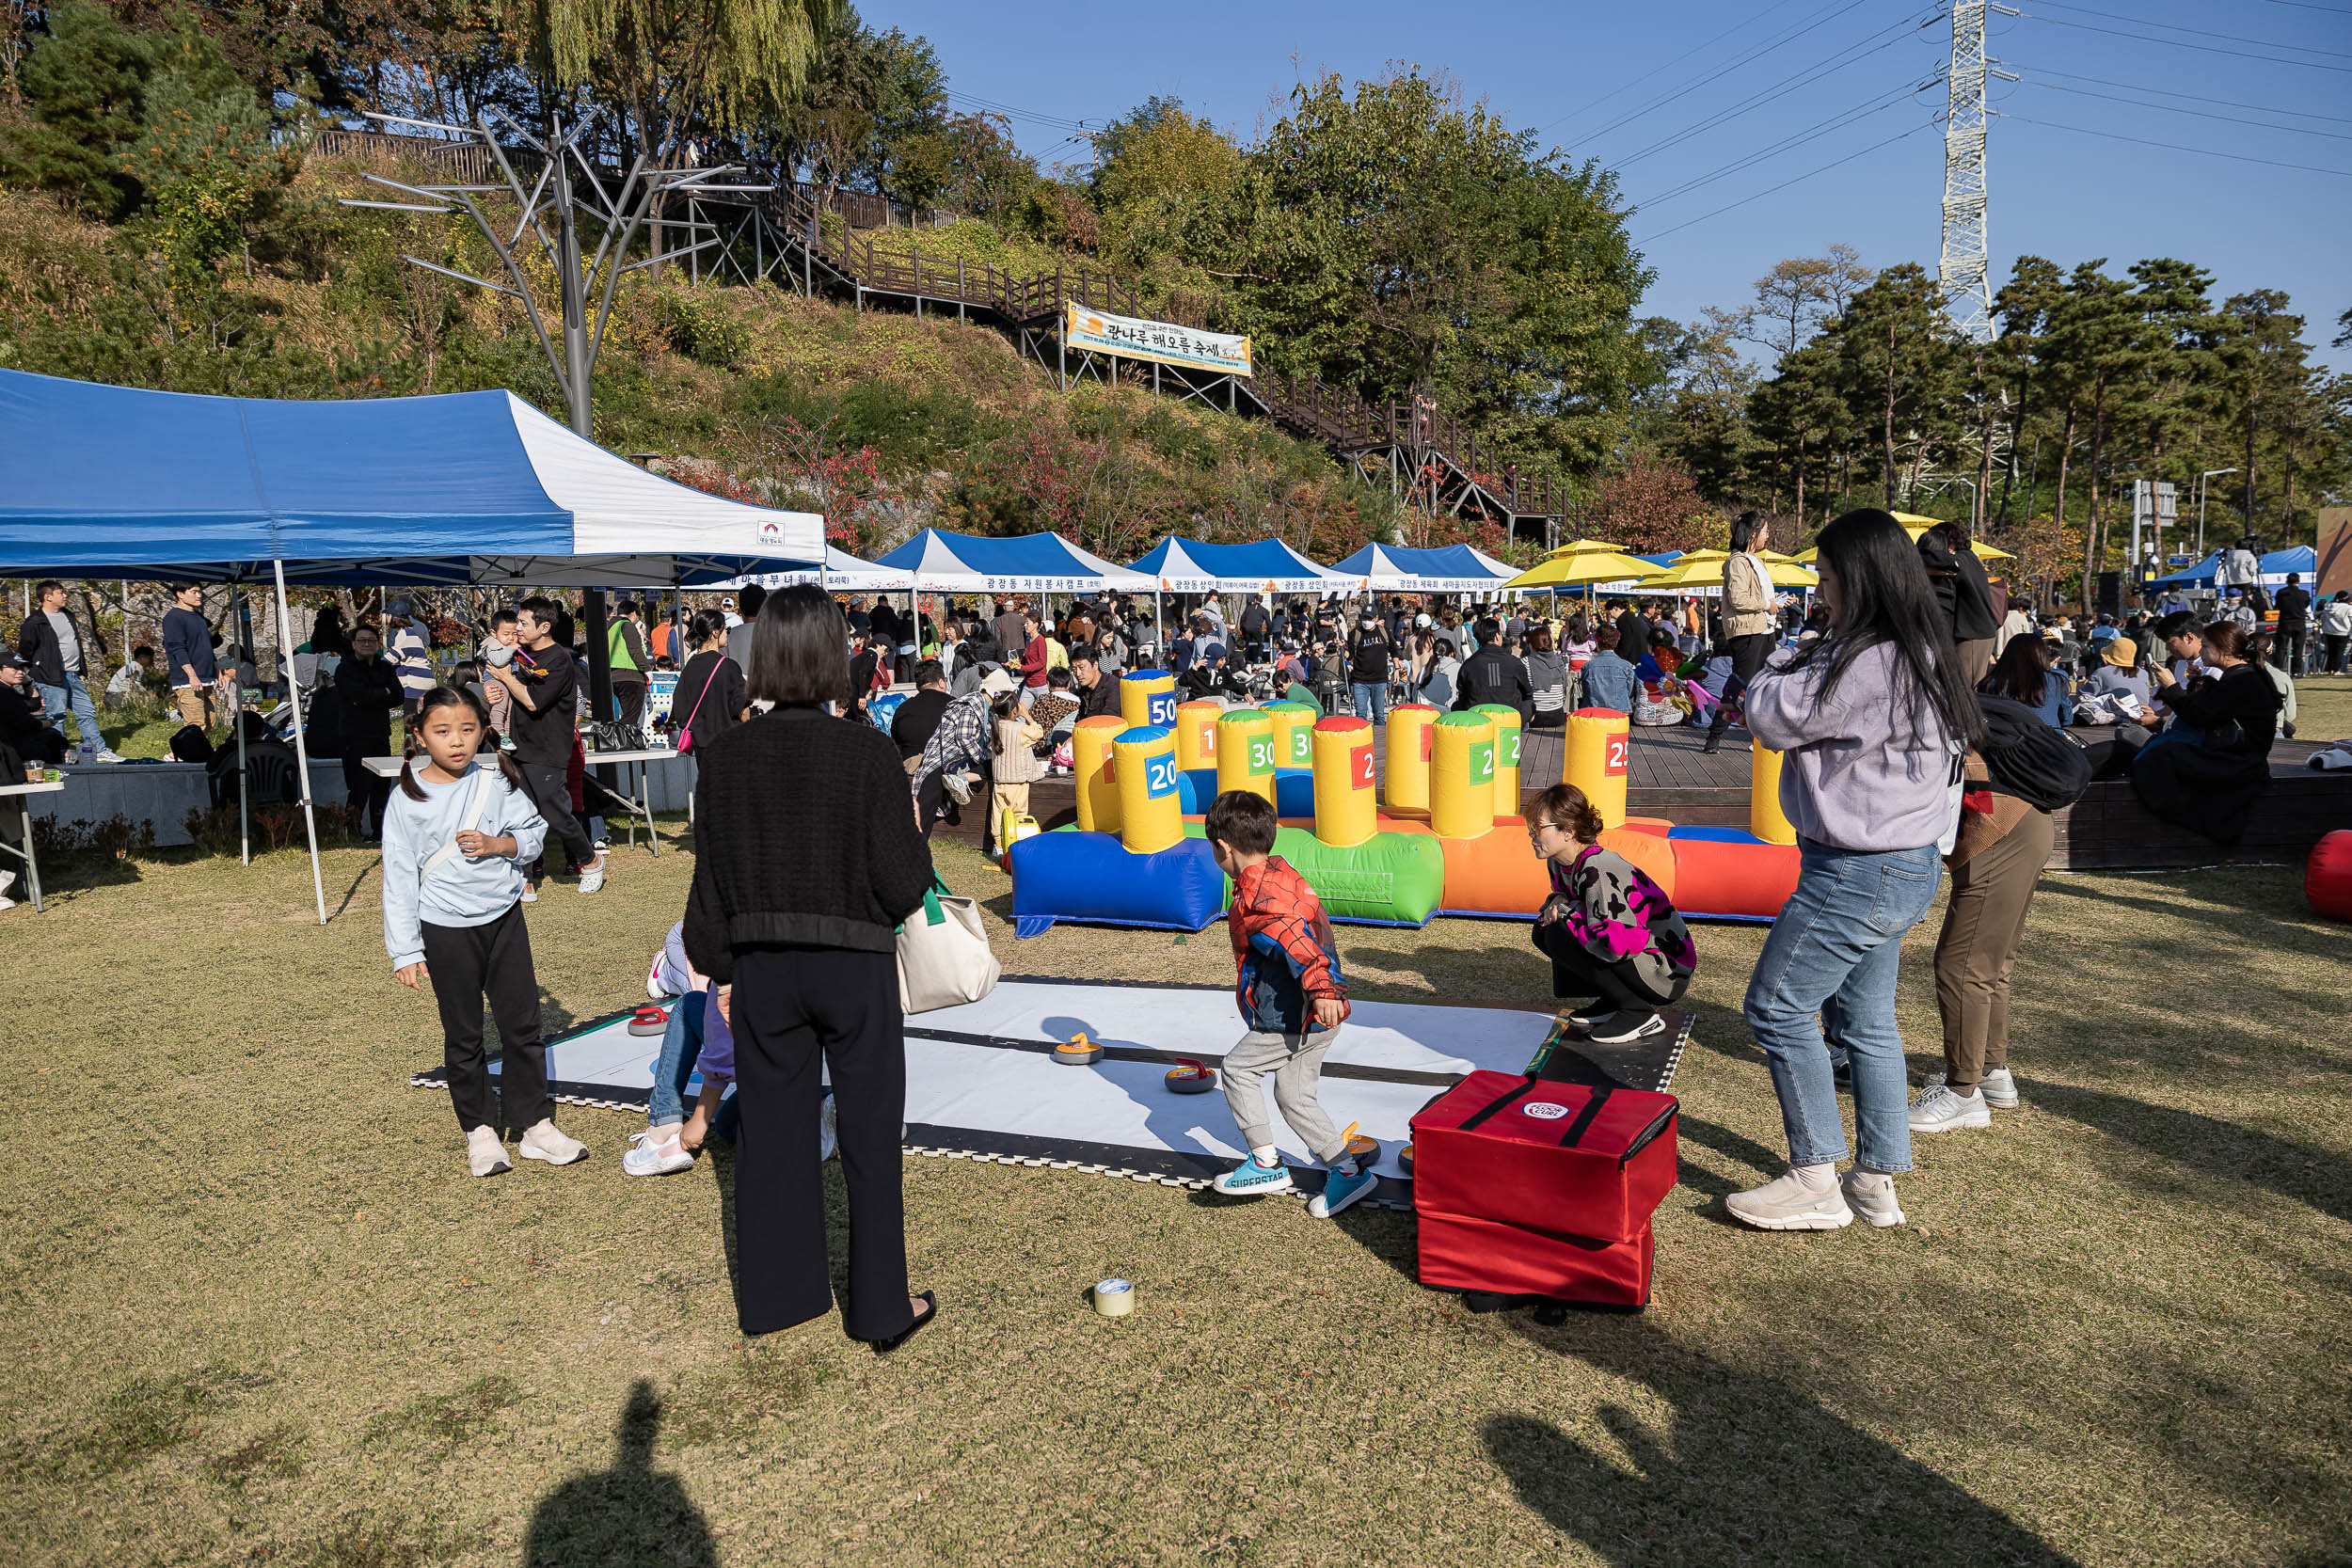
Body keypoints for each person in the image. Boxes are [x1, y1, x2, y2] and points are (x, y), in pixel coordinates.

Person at [683, 584, 938, 1350]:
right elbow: (903, 884)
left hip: (763, 969)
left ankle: (777, 1297)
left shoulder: (725, 757)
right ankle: (881, 1309)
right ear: (836, 655)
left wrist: (722, 964)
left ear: (761, 658)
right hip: (853, 966)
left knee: (773, 1134)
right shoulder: (866, 751)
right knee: (867, 1138)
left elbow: (710, 892)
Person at [1732, 508, 1982, 1232]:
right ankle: (1876, 1176)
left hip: (1855, 870)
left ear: (1859, 578)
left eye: (1827, 574)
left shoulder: (1865, 658)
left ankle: (1815, 1176)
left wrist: (1790, 651)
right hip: (1902, 863)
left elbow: (1770, 717)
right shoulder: (1918, 648)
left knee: (1776, 1007)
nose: (1819, 586)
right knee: (1868, 1021)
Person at [382, 685, 585, 1178]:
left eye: (468, 730)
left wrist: (501, 844)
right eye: (443, 731)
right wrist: (405, 950)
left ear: (484, 732)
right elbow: (399, 876)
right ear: (419, 735)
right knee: (464, 1033)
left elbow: (534, 835)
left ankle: (535, 1125)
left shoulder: (499, 781)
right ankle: (480, 1131)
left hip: (504, 918)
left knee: (523, 1026)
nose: (457, 741)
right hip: (445, 927)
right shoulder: (407, 796)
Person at [1199, 790, 1376, 1219]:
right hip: (1316, 1015)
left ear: (1223, 847)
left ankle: (1265, 1163)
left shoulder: (1262, 898)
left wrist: (1323, 989)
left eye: (1213, 850)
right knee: (1295, 1096)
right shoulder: (1277, 871)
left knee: (1239, 1069)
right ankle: (1348, 1173)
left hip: (1293, 1015)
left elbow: (1297, 941)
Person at [1519, 782, 1696, 1062]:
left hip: (1665, 971)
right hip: (1638, 957)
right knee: (1545, 930)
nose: (1531, 836)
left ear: (1568, 831)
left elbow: (1620, 942)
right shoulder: (1559, 861)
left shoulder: (1598, 868)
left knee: (1558, 933)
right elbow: (1572, 898)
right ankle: (1614, 1000)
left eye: (1538, 828)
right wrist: (1557, 901)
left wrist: (1565, 912)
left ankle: (1638, 1012)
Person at [485, 596, 605, 896]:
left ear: (545, 627)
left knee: (555, 814)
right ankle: (523, 878)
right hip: (519, 748)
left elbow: (532, 700)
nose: (518, 629)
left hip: (548, 749)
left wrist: (504, 677)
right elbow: (507, 682)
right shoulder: (524, 654)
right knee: (520, 813)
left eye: (524, 624)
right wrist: (494, 686)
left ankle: (590, 861)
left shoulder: (559, 660)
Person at [2128, 621, 2281, 844]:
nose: (2201, 650)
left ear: (2225, 650)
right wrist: (2200, 683)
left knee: (2156, 758)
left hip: (2237, 760)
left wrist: (2172, 687)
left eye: (2207, 646)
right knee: (2154, 751)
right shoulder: (2244, 675)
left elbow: (2200, 717)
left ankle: (2193, 823)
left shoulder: (2241, 679)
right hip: (2241, 755)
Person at [1706, 512, 1781, 754]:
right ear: (1753, 533)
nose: (1768, 536)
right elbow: (1738, 599)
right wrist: (1766, 604)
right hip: (1748, 631)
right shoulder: (1737, 561)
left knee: (1765, 684)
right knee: (1741, 684)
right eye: (1766, 531)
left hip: (1764, 627)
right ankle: (1714, 736)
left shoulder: (1755, 560)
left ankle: (1761, 739)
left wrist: (1775, 603)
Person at [17, 580, 117, 762]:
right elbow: (26, 651)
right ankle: (58, 752)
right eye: (60, 593)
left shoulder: (68, 615)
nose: (65, 596)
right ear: (48, 597)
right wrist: (36, 673)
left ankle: (98, 750)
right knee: (57, 717)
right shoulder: (34, 622)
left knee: (86, 712)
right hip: (50, 677)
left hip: (73, 674)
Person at [336, 625, 405, 843]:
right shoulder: (345, 669)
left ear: (378, 643)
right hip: (354, 735)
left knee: (381, 785)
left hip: (380, 733)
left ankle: (379, 831)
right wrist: (380, 692)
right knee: (359, 785)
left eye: (372, 640)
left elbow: (398, 696)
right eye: (362, 640)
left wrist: (374, 695)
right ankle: (351, 831)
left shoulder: (385, 668)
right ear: (354, 644)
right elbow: (357, 696)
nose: (367, 644)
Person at [1918, 521, 1998, 680]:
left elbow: (1947, 564)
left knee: (1964, 687)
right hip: (1978, 632)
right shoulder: (1970, 559)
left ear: (1951, 543)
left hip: (1974, 634)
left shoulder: (1964, 559)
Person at [672, 610, 746, 754]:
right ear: (715, 632)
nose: (727, 634)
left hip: (700, 746)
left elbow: (679, 709)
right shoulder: (728, 666)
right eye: (726, 629)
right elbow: (742, 711)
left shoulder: (690, 666)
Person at [986, 685, 1045, 853]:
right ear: (1014, 711)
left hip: (1000, 781)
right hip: (1018, 781)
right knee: (1019, 813)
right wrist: (1027, 715)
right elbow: (1038, 732)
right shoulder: (1019, 729)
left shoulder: (995, 727)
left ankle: (998, 845)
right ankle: (1018, 845)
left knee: (998, 813)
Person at [162, 583, 226, 733]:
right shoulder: (173, 618)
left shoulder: (199, 618)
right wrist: (192, 675)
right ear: (180, 594)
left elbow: (206, 647)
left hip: (206, 676)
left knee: (210, 722)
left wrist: (217, 670)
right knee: (195, 726)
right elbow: (177, 648)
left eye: (200, 592)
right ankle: (179, 756)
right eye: (194, 592)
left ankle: (192, 755)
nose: (199, 595)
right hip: (188, 680)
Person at [1979, 635, 2069, 729]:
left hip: (2007, 738)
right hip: (2047, 737)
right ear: (2041, 654)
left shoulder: (1992, 682)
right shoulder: (2057, 681)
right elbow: (2067, 718)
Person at [1454, 617, 1533, 718]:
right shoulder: (1514, 662)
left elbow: (1462, 694)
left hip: (1478, 720)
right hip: (1509, 719)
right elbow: (1527, 692)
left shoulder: (1468, 664)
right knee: (1530, 704)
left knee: (1456, 706)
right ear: (1497, 636)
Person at [0, 651, 69, 764]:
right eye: (15, 668)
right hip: (9, 745)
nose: (21, 672)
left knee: (51, 736)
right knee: (53, 738)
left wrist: (27, 683)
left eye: (22, 669)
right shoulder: (4, 692)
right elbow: (27, 724)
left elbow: (33, 705)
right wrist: (48, 723)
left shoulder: (7, 690)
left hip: (14, 739)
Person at [477, 609, 521, 735]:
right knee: (499, 705)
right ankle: (498, 733)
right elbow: (498, 661)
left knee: (510, 710)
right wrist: (512, 649)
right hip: (494, 680)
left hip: (508, 681)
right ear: (494, 633)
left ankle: (506, 735)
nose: (511, 638)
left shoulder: (510, 646)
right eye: (506, 634)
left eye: (515, 634)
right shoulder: (492, 645)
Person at [1347, 611, 1395, 724]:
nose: (1366, 621)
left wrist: (1397, 669)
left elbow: (1394, 650)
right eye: (1364, 618)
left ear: (1376, 618)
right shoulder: (1355, 633)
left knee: (1379, 715)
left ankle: (1380, 740)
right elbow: (1350, 656)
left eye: (1369, 618)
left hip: (1379, 680)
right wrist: (1342, 649)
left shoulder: (1384, 632)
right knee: (1360, 714)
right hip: (1359, 681)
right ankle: (1361, 740)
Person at [1579, 624, 1638, 714]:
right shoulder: (1626, 666)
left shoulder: (1588, 667)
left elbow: (1586, 691)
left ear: (1597, 643)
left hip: (1594, 713)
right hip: (1620, 713)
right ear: (1616, 642)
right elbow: (1629, 692)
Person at [608, 599, 651, 724]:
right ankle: (625, 742)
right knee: (631, 717)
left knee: (620, 715)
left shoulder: (609, 628)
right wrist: (647, 669)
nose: (638, 620)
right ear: (633, 613)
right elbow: (635, 649)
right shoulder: (626, 625)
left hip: (613, 676)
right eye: (638, 616)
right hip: (631, 676)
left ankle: (619, 739)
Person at [1523, 626, 1569, 730]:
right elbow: (1564, 688)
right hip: (1558, 715)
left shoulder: (1526, 662)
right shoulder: (1559, 661)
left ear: (1532, 645)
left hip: (1535, 717)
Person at [2273, 573, 2312, 677]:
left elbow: (2278, 606)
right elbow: (2306, 604)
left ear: (2287, 581)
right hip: (2299, 622)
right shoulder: (2304, 593)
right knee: (2298, 648)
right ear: (2298, 581)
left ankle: (2278, 668)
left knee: (2281, 647)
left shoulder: (2281, 593)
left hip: (2285, 622)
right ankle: (2296, 671)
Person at [724, 583, 767, 671]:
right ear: (766, 608)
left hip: (737, 683)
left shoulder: (727, 637)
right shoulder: (780, 635)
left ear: (740, 610)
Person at [104, 645, 159, 709]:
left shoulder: (133, 666)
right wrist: (149, 695)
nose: (152, 661)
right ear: (142, 658)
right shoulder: (135, 667)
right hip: (116, 697)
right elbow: (135, 686)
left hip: (112, 697)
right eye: (150, 658)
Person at [2321, 591, 2352, 676]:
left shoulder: (2329, 606)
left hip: (2329, 632)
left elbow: (2323, 618)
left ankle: (2330, 669)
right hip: (2343, 632)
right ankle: (2336, 670)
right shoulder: (2348, 608)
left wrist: (2324, 628)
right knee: (2339, 652)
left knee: (2331, 651)